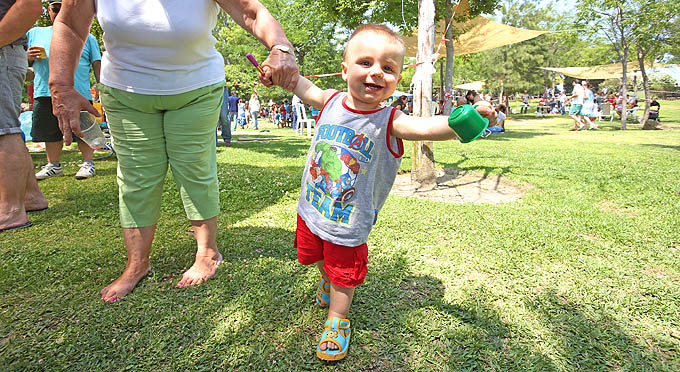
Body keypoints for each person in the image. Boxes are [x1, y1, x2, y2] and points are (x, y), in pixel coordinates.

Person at [48, 0, 299, 302]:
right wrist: (60, 85)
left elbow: (252, 12)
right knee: (136, 176)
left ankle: (208, 253)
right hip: (125, 91)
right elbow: (69, 25)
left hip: (196, 88)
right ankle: (136, 264)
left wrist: (281, 48)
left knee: (194, 169)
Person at [287, 24, 496, 361]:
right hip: (312, 208)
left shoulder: (390, 120)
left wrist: (465, 119)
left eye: (388, 68)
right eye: (365, 63)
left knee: (344, 273)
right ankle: (326, 283)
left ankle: (337, 320)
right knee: (319, 258)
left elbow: (428, 127)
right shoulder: (330, 101)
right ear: (344, 70)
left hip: (349, 221)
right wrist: (280, 73)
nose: (376, 73)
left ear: (397, 79)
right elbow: (300, 85)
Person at [27, 0, 101, 180]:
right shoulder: (34, 33)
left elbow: (97, 63)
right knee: (49, 131)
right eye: (55, 8)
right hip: (44, 92)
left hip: (80, 93)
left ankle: (88, 163)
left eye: (63, 7)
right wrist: (26, 57)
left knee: (84, 129)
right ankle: (53, 165)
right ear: (48, 10)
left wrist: (101, 88)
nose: (59, 12)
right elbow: (20, 62)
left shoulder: (87, 36)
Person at [0, 0, 49, 233]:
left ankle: (9, 210)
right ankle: (30, 196)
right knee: (7, 129)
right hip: (7, 51)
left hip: (3, 51)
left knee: (3, 132)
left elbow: (29, 5)